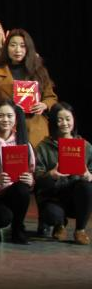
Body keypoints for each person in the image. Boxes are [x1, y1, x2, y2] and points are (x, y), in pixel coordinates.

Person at [0, 28, 57, 148]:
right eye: (13, 45)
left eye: (22, 46)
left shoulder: (39, 71)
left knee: (35, 156)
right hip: (7, 127)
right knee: (13, 157)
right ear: (6, 48)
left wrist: (44, 105)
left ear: (28, 48)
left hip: (35, 125)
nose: (17, 50)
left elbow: (51, 97)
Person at [34, 103, 92, 245]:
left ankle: (80, 230)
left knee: (86, 187)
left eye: (68, 119)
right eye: (60, 119)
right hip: (53, 197)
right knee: (51, 214)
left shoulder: (85, 146)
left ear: (74, 120)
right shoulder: (43, 147)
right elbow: (37, 178)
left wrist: (89, 176)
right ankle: (59, 225)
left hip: (76, 197)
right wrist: (51, 175)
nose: (65, 123)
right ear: (53, 122)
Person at [0, 101, 34, 243]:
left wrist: (31, 180)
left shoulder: (23, 143)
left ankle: (18, 229)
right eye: (0, 116)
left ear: (16, 118)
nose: (5, 120)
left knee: (22, 189)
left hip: (13, 193)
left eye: (10, 116)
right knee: (2, 218)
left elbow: (31, 170)